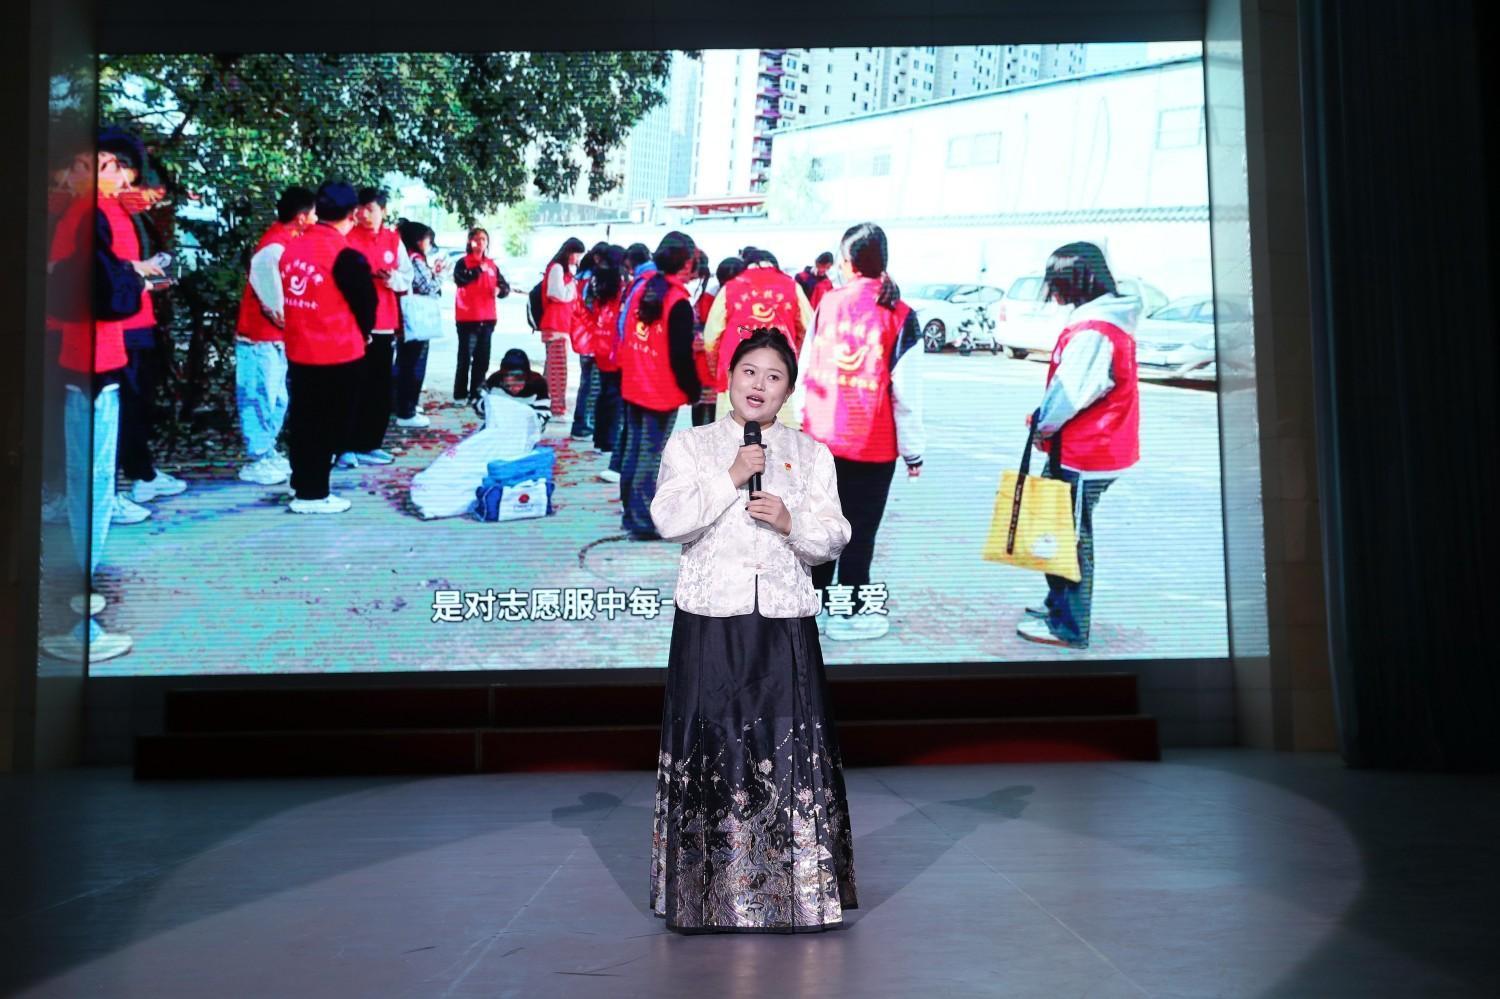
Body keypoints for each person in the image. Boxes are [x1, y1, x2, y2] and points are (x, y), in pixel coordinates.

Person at [648, 326, 856, 934]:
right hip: (712, 618)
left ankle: (797, 895)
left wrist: (791, 521)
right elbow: (668, 519)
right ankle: (708, 895)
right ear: (729, 378)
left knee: (787, 752)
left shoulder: (811, 453)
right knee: (712, 747)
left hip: (783, 623)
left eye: (774, 376)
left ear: (788, 389)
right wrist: (732, 476)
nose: (759, 385)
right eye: (749, 372)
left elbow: (833, 536)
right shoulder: (692, 446)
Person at [37, 142, 155, 661]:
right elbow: (102, 291)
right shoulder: (90, 217)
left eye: (106, 164)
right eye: (92, 163)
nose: (108, 173)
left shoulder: (87, 215)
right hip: (86, 360)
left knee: (91, 477)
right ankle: (78, 622)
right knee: (91, 480)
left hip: (89, 358)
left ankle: (80, 616)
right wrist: (138, 274)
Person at [800, 222, 926, 642]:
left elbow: (804, 373)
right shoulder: (902, 314)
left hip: (822, 437)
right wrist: (914, 452)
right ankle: (850, 615)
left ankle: (811, 608)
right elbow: (907, 394)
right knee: (859, 532)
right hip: (871, 444)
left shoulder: (827, 304)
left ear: (848, 263)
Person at [1017, 241, 1141, 650]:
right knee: (1058, 528)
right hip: (1087, 451)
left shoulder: (1095, 330)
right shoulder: (1104, 321)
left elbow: (1070, 395)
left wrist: (1043, 425)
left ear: (1078, 282)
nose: (1054, 293)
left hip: (1086, 454)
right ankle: (1058, 606)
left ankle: (1068, 627)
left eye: (1057, 284)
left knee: (1069, 539)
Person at [96, 127, 186, 520]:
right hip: (119, 326)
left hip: (138, 319)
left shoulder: (121, 209)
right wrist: (140, 269)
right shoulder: (97, 211)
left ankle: (140, 474)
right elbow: (105, 269)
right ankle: (110, 491)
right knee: (119, 411)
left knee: (138, 404)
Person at [279, 182, 377, 514]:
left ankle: (303, 485)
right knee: (330, 425)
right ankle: (314, 493)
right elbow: (366, 305)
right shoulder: (346, 256)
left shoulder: (292, 248)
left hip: (300, 351)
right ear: (354, 213)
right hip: (337, 354)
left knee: (304, 421)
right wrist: (364, 334)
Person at [618, 231, 701, 540]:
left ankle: (631, 514)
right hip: (659, 391)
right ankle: (641, 522)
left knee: (634, 451)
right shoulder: (677, 301)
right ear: (687, 262)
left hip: (635, 384)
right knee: (649, 456)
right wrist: (693, 390)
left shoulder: (641, 288)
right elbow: (680, 355)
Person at [235, 185, 316, 486]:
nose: (316, 217)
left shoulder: (287, 242)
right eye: (313, 213)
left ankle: (266, 450)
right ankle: (257, 456)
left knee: (277, 397)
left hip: (276, 339)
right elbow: (274, 305)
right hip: (259, 338)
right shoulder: (274, 247)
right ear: (301, 216)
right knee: (260, 396)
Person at [703, 245, 813, 426]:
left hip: (738, 370)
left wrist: (717, 369)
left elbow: (710, 338)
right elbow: (809, 332)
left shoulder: (731, 287)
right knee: (779, 439)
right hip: (779, 371)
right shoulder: (792, 287)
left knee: (733, 438)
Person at [341, 186, 412, 467]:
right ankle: (345, 446)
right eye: (360, 209)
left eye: (370, 209)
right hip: (352, 324)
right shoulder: (346, 237)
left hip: (383, 323)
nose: (363, 214)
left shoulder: (394, 241)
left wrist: (391, 278)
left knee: (379, 387)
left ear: (383, 211)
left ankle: (370, 444)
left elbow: (407, 279)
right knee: (351, 386)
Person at [393, 220, 445, 429]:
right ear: (418, 240)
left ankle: (404, 405)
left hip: (405, 322)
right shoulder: (415, 260)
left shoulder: (407, 256)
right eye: (428, 240)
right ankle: (407, 409)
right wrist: (440, 276)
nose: (429, 245)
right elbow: (429, 287)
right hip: (417, 322)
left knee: (405, 363)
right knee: (413, 366)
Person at [452, 226, 506, 405]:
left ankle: (476, 391)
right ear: (470, 241)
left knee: (482, 358)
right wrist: (478, 270)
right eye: (477, 239)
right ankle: (460, 393)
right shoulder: (463, 262)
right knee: (465, 357)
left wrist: (500, 290)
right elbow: (460, 279)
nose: (480, 243)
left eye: (484, 239)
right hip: (467, 318)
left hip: (487, 318)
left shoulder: (492, 265)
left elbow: (505, 286)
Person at [589, 245, 628, 480]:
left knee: (604, 394)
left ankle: (600, 439)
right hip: (614, 345)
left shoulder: (599, 280)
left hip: (601, 343)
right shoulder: (620, 282)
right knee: (614, 397)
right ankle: (610, 440)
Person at [539, 236, 586, 418]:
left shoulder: (563, 270)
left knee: (552, 368)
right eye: (576, 255)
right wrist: (572, 287)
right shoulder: (557, 269)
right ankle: (556, 407)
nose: (577, 259)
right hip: (555, 324)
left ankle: (546, 402)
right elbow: (555, 293)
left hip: (560, 324)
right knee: (558, 370)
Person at [568, 241, 609, 441]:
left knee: (588, 384)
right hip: (592, 340)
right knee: (591, 385)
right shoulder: (593, 280)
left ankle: (583, 423)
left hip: (584, 338)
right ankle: (583, 425)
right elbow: (594, 311)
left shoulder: (581, 277)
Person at [482, 348, 551, 429]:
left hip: (527, 427)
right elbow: (481, 405)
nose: (513, 389)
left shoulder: (538, 384)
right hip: (499, 425)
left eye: (518, 385)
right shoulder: (494, 382)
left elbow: (544, 413)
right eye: (508, 386)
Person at [688, 249, 716, 427]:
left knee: (700, 399)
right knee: (711, 401)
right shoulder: (711, 288)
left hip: (698, 346)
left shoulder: (699, 287)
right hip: (708, 347)